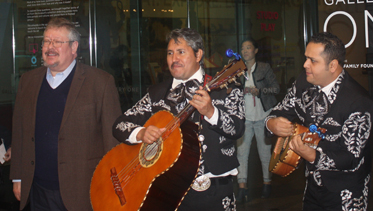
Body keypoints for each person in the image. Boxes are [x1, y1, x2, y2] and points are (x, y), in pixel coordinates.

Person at [112, 28, 245, 210]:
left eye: (181, 52)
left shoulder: (226, 88)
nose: (174, 59)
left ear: (198, 55)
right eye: (170, 53)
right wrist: (141, 133)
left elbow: (237, 129)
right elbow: (119, 124)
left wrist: (211, 112)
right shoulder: (157, 93)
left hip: (213, 193)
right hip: (166, 192)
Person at [10, 17, 122, 210]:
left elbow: (112, 142)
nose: (49, 47)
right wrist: (18, 177)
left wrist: (113, 185)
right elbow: (20, 132)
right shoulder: (28, 81)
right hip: (37, 189)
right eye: (46, 41)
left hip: (82, 191)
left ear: (74, 47)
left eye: (57, 42)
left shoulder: (100, 83)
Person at [266, 32, 373, 210]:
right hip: (312, 188)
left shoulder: (358, 102)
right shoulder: (304, 82)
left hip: (346, 193)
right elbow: (281, 109)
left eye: (312, 61)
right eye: (306, 58)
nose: (305, 65)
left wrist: (312, 156)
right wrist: (272, 123)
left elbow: (351, 157)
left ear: (332, 65)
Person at [236, 38, 279, 202]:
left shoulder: (264, 67)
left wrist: (259, 91)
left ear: (255, 51)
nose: (245, 51)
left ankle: (267, 184)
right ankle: (241, 188)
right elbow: (231, 89)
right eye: (242, 48)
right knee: (242, 153)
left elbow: (276, 87)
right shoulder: (238, 69)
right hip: (244, 117)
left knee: (264, 153)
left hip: (262, 116)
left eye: (248, 48)